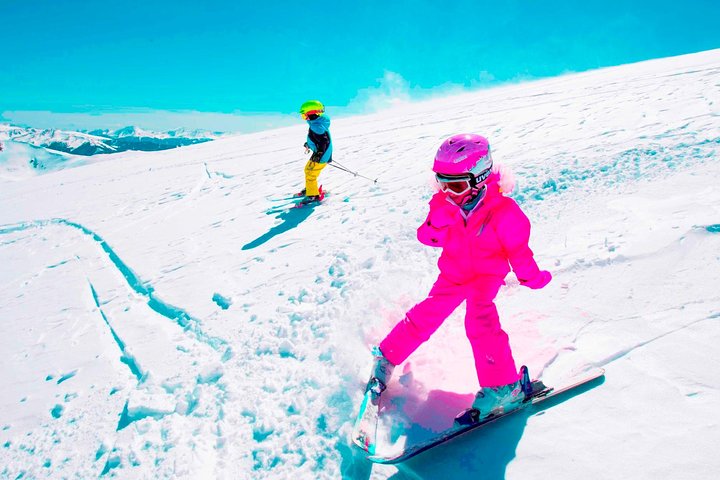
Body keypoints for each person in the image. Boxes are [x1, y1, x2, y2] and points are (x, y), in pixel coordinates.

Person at [370, 133, 552, 419]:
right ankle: (387, 356)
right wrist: (437, 222)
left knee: (479, 321)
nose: (448, 193)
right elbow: (427, 237)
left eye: (455, 185)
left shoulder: (504, 212)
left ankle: (504, 387)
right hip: (453, 273)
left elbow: (519, 252)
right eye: (441, 184)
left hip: (485, 277)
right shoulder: (444, 204)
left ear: (480, 178)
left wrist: (533, 277)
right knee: (427, 313)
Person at [298, 100, 333, 204]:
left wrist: (319, 154)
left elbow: (324, 141)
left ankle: (312, 195)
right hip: (321, 154)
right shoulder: (318, 123)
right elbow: (318, 139)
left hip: (320, 155)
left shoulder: (316, 126)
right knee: (308, 171)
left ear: (311, 113)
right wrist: (309, 144)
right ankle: (310, 188)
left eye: (305, 115)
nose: (304, 117)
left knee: (310, 173)